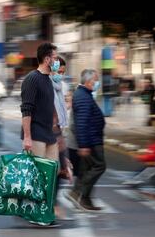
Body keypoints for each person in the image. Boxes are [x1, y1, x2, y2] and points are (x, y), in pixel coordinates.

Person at [20, 42, 60, 226]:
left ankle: (42, 210)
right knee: (39, 176)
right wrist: (27, 137)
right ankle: (38, 213)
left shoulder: (49, 79)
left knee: (52, 173)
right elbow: (26, 110)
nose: (57, 61)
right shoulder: (32, 79)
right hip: (35, 133)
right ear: (47, 59)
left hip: (49, 134)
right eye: (55, 57)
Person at [65, 69, 106, 211]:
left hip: (91, 139)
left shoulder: (84, 94)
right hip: (90, 140)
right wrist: (83, 145)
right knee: (99, 166)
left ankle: (84, 200)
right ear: (89, 81)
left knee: (87, 169)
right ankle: (76, 192)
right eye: (96, 80)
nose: (97, 83)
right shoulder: (82, 96)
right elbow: (81, 122)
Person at [50, 56, 73, 219]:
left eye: (63, 72)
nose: (61, 75)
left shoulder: (63, 86)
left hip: (60, 132)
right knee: (55, 171)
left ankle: (53, 204)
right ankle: (53, 205)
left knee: (61, 170)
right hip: (50, 134)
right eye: (59, 71)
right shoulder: (46, 85)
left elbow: (68, 103)